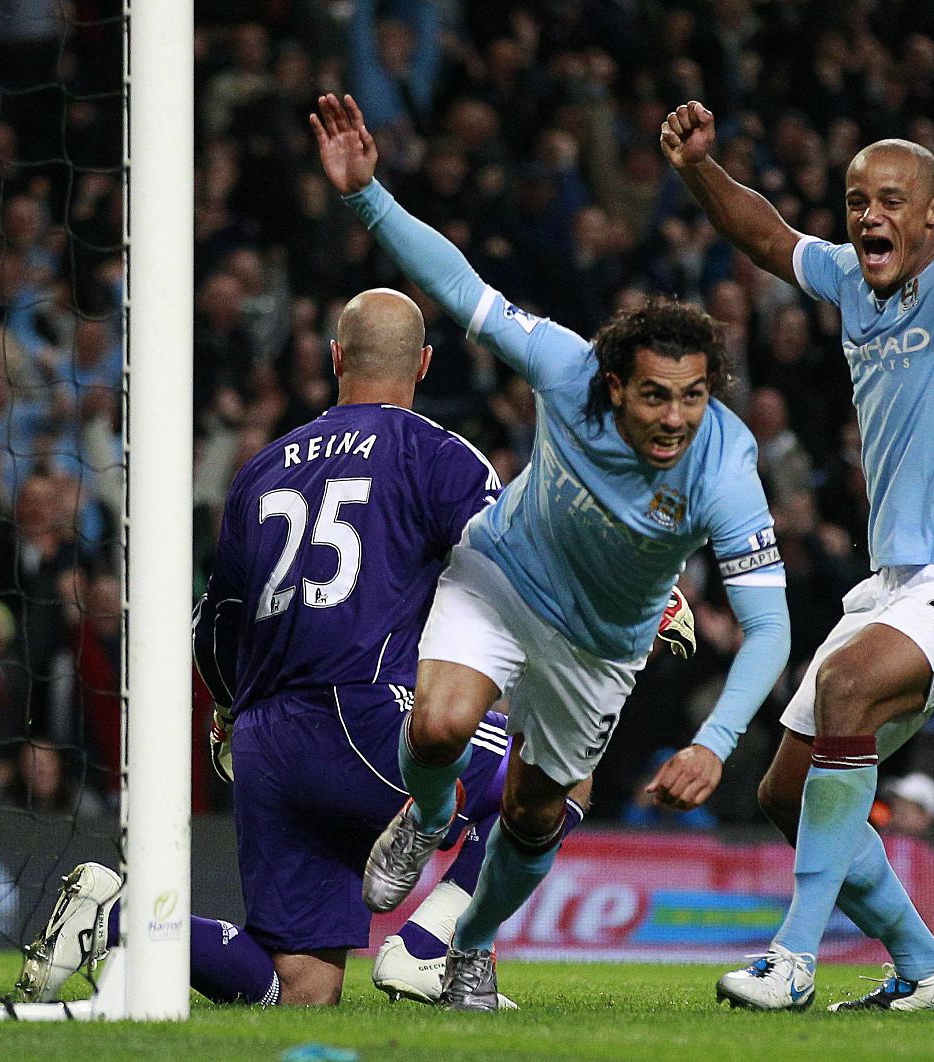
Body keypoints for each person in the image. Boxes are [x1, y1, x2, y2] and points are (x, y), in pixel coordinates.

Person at [310, 93, 790, 1011]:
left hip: (601, 648)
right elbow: (457, 290)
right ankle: (431, 814)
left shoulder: (727, 465)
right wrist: (367, 198)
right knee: (440, 728)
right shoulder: (566, 368)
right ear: (615, 383)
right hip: (502, 581)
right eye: (655, 397)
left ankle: (472, 947)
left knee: (537, 815)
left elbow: (768, 627)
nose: (675, 419)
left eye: (692, 397)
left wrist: (716, 742)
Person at [17, 288, 594, 1008]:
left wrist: (228, 713)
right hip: (371, 714)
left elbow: (213, 625)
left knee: (299, 985)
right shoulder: (441, 456)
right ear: (423, 364)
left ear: (334, 357)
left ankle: (116, 917)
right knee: (563, 773)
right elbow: (518, 565)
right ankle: (426, 948)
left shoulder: (261, 470)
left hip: (265, 741)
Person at [661, 47, 934, 1012]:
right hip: (897, 584)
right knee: (784, 793)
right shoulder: (847, 282)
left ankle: (792, 957)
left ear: (930, 215)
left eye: (890, 200)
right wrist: (701, 170)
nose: (868, 215)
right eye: (855, 201)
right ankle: (927, 966)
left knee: (843, 683)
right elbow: (766, 237)